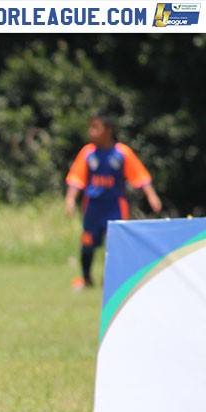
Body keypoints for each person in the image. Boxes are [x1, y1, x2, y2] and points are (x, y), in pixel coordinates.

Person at [64, 112, 162, 291]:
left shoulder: (121, 153)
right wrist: (70, 199)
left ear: (108, 130)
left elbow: (139, 176)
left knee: (116, 244)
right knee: (87, 242)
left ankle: (111, 280)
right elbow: (77, 178)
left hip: (115, 205)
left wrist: (151, 195)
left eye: (96, 127)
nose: (91, 132)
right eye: (90, 127)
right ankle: (86, 278)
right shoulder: (87, 153)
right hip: (93, 206)